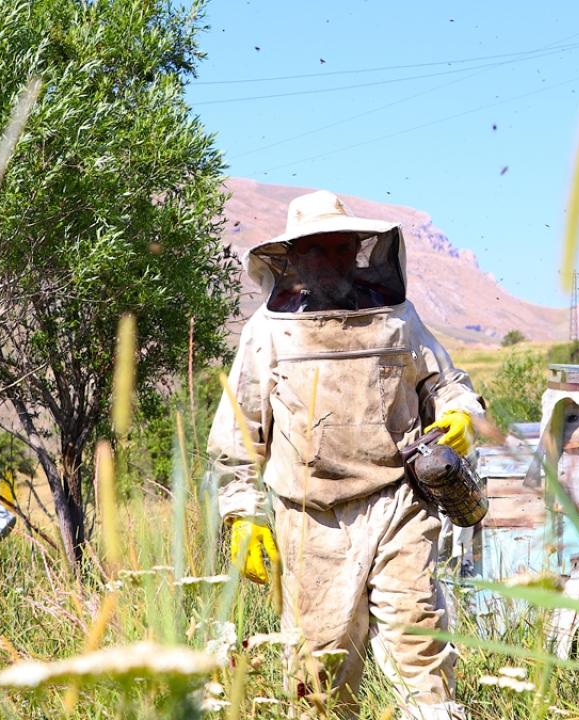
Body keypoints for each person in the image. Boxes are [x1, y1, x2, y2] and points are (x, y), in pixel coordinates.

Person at [207, 190, 484, 719]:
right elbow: (238, 436)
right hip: (309, 520)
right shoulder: (268, 332)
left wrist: (459, 415)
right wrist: (243, 515)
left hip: (399, 505)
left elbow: (447, 384)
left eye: (345, 246)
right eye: (322, 248)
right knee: (318, 669)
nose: (336, 258)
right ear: (297, 258)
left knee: (419, 641)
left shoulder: (399, 319)